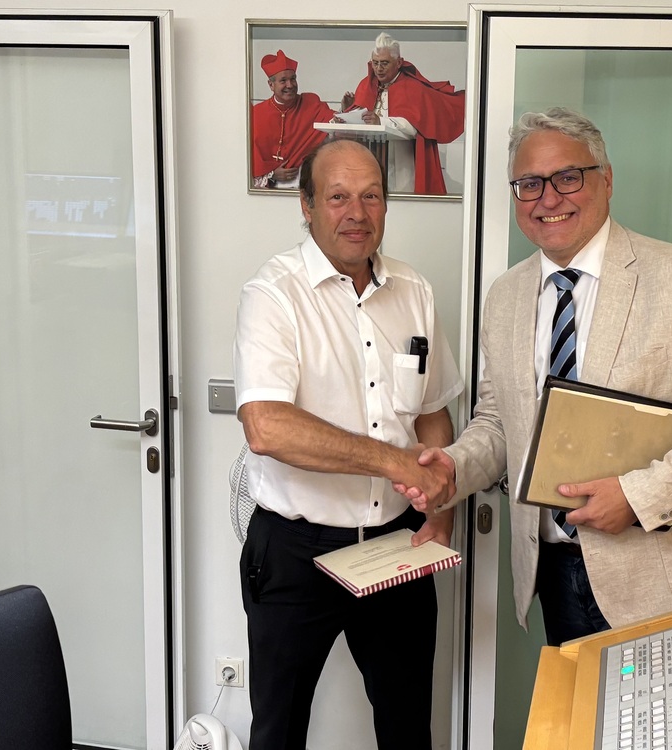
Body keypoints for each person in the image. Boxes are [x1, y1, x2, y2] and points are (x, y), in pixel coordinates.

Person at [401, 107, 672, 646]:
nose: (548, 198)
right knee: (578, 705)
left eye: (567, 177)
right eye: (530, 184)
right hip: (556, 574)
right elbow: (501, 421)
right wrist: (454, 467)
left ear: (606, 179)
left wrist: (639, 495)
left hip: (669, 581)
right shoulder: (506, 296)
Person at [234, 138, 463, 750]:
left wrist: (439, 507)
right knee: (278, 732)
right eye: (337, 197)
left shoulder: (414, 290)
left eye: (371, 196)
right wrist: (394, 461)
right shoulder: (273, 294)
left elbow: (433, 410)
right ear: (306, 206)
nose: (356, 213)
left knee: (408, 729)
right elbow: (266, 426)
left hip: (396, 545)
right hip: (295, 551)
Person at [341, 32, 465, 195]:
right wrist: (348, 110)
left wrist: (381, 122)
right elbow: (361, 121)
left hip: (402, 163)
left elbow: (415, 126)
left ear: (399, 62)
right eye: (375, 63)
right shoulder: (366, 85)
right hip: (370, 161)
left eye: (384, 63)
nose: (378, 68)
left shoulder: (412, 87)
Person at [251, 49, 335, 189]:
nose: (290, 85)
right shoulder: (256, 113)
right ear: (271, 85)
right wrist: (271, 174)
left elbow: (335, 124)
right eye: (283, 81)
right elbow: (249, 158)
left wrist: (346, 108)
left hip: (302, 184)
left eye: (293, 79)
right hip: (265, 190)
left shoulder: (310, 103)